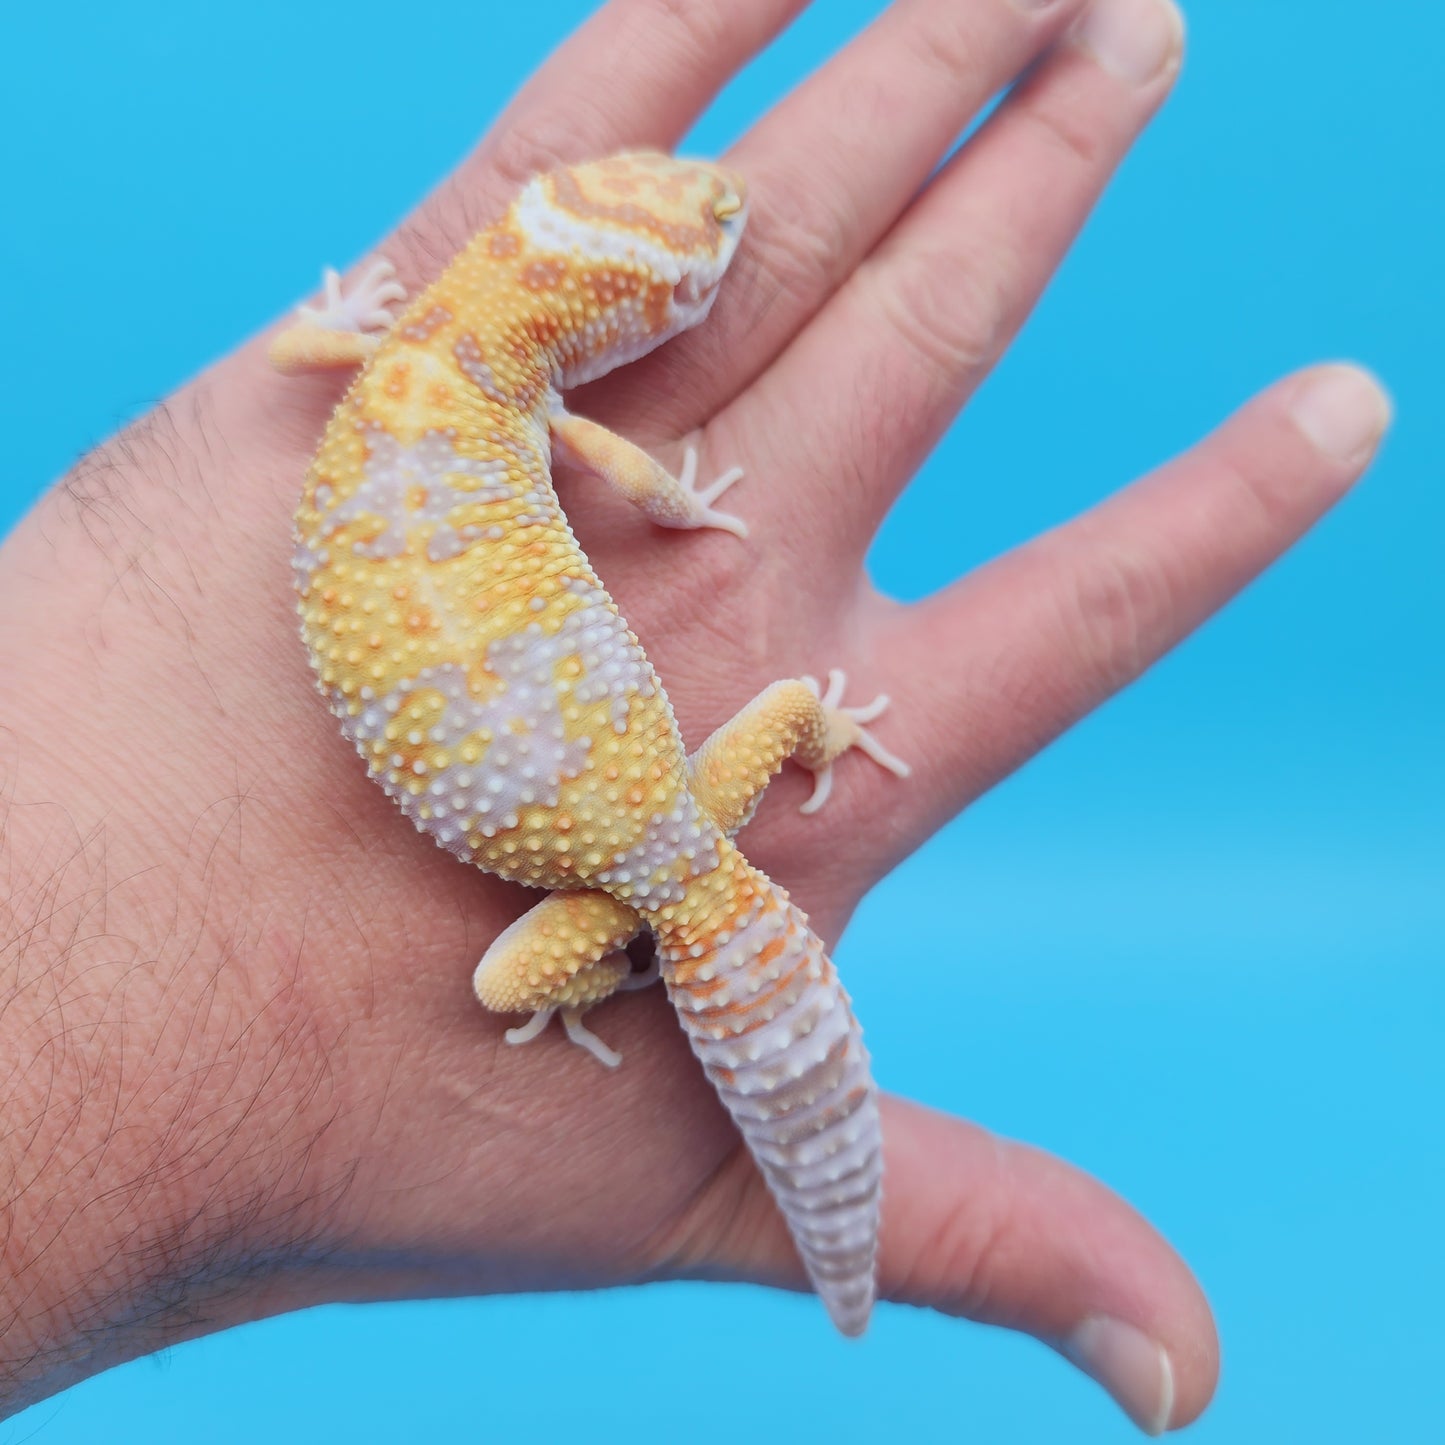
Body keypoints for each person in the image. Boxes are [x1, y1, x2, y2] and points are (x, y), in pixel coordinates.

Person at [0, 0, 1389, 1432]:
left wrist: (343, 317)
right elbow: (655, 493)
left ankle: (689, 922)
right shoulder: (552, 424)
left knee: (521, 980)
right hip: (654, 822)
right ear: (631, 313)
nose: (723, 216)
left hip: (640, 829)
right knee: (525, 965)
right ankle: (752, 847)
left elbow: (313, 346)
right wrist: (766, 648)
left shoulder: (397, 350)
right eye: (698, 254)